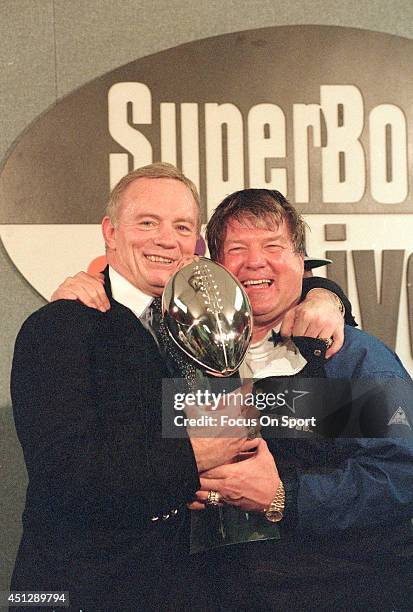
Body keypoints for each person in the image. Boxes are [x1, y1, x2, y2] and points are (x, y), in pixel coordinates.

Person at [10, 164, 350, 612]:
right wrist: (195, 455)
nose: (166, 239)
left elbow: (369, 433)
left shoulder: (214, 324)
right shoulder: (60, 328)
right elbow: (64, 477)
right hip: (88, 590)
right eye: (147, 222)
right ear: (110, 232)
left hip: (215, 586)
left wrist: (328, 297)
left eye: (182, 227)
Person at [189, 188, 413, 611]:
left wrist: (284, 496)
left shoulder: (350, 354)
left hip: (347, 589)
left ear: (301, 262)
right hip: (223, 592)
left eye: (273, 246)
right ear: (215, 267)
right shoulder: (188, 356)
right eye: (237, 249)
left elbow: (401, 477)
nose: (255, 261)